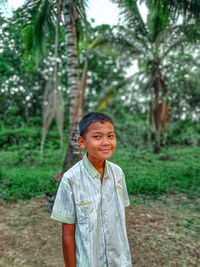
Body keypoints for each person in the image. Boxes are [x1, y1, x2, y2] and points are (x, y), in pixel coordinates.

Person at [51, 112, 132, 267]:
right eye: (97, 137)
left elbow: (119, 221)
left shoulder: (118, 174)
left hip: (120, 261)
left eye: (110, 136)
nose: (106, 142)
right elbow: (67, 235)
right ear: (82, 142)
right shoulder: (71, 180)